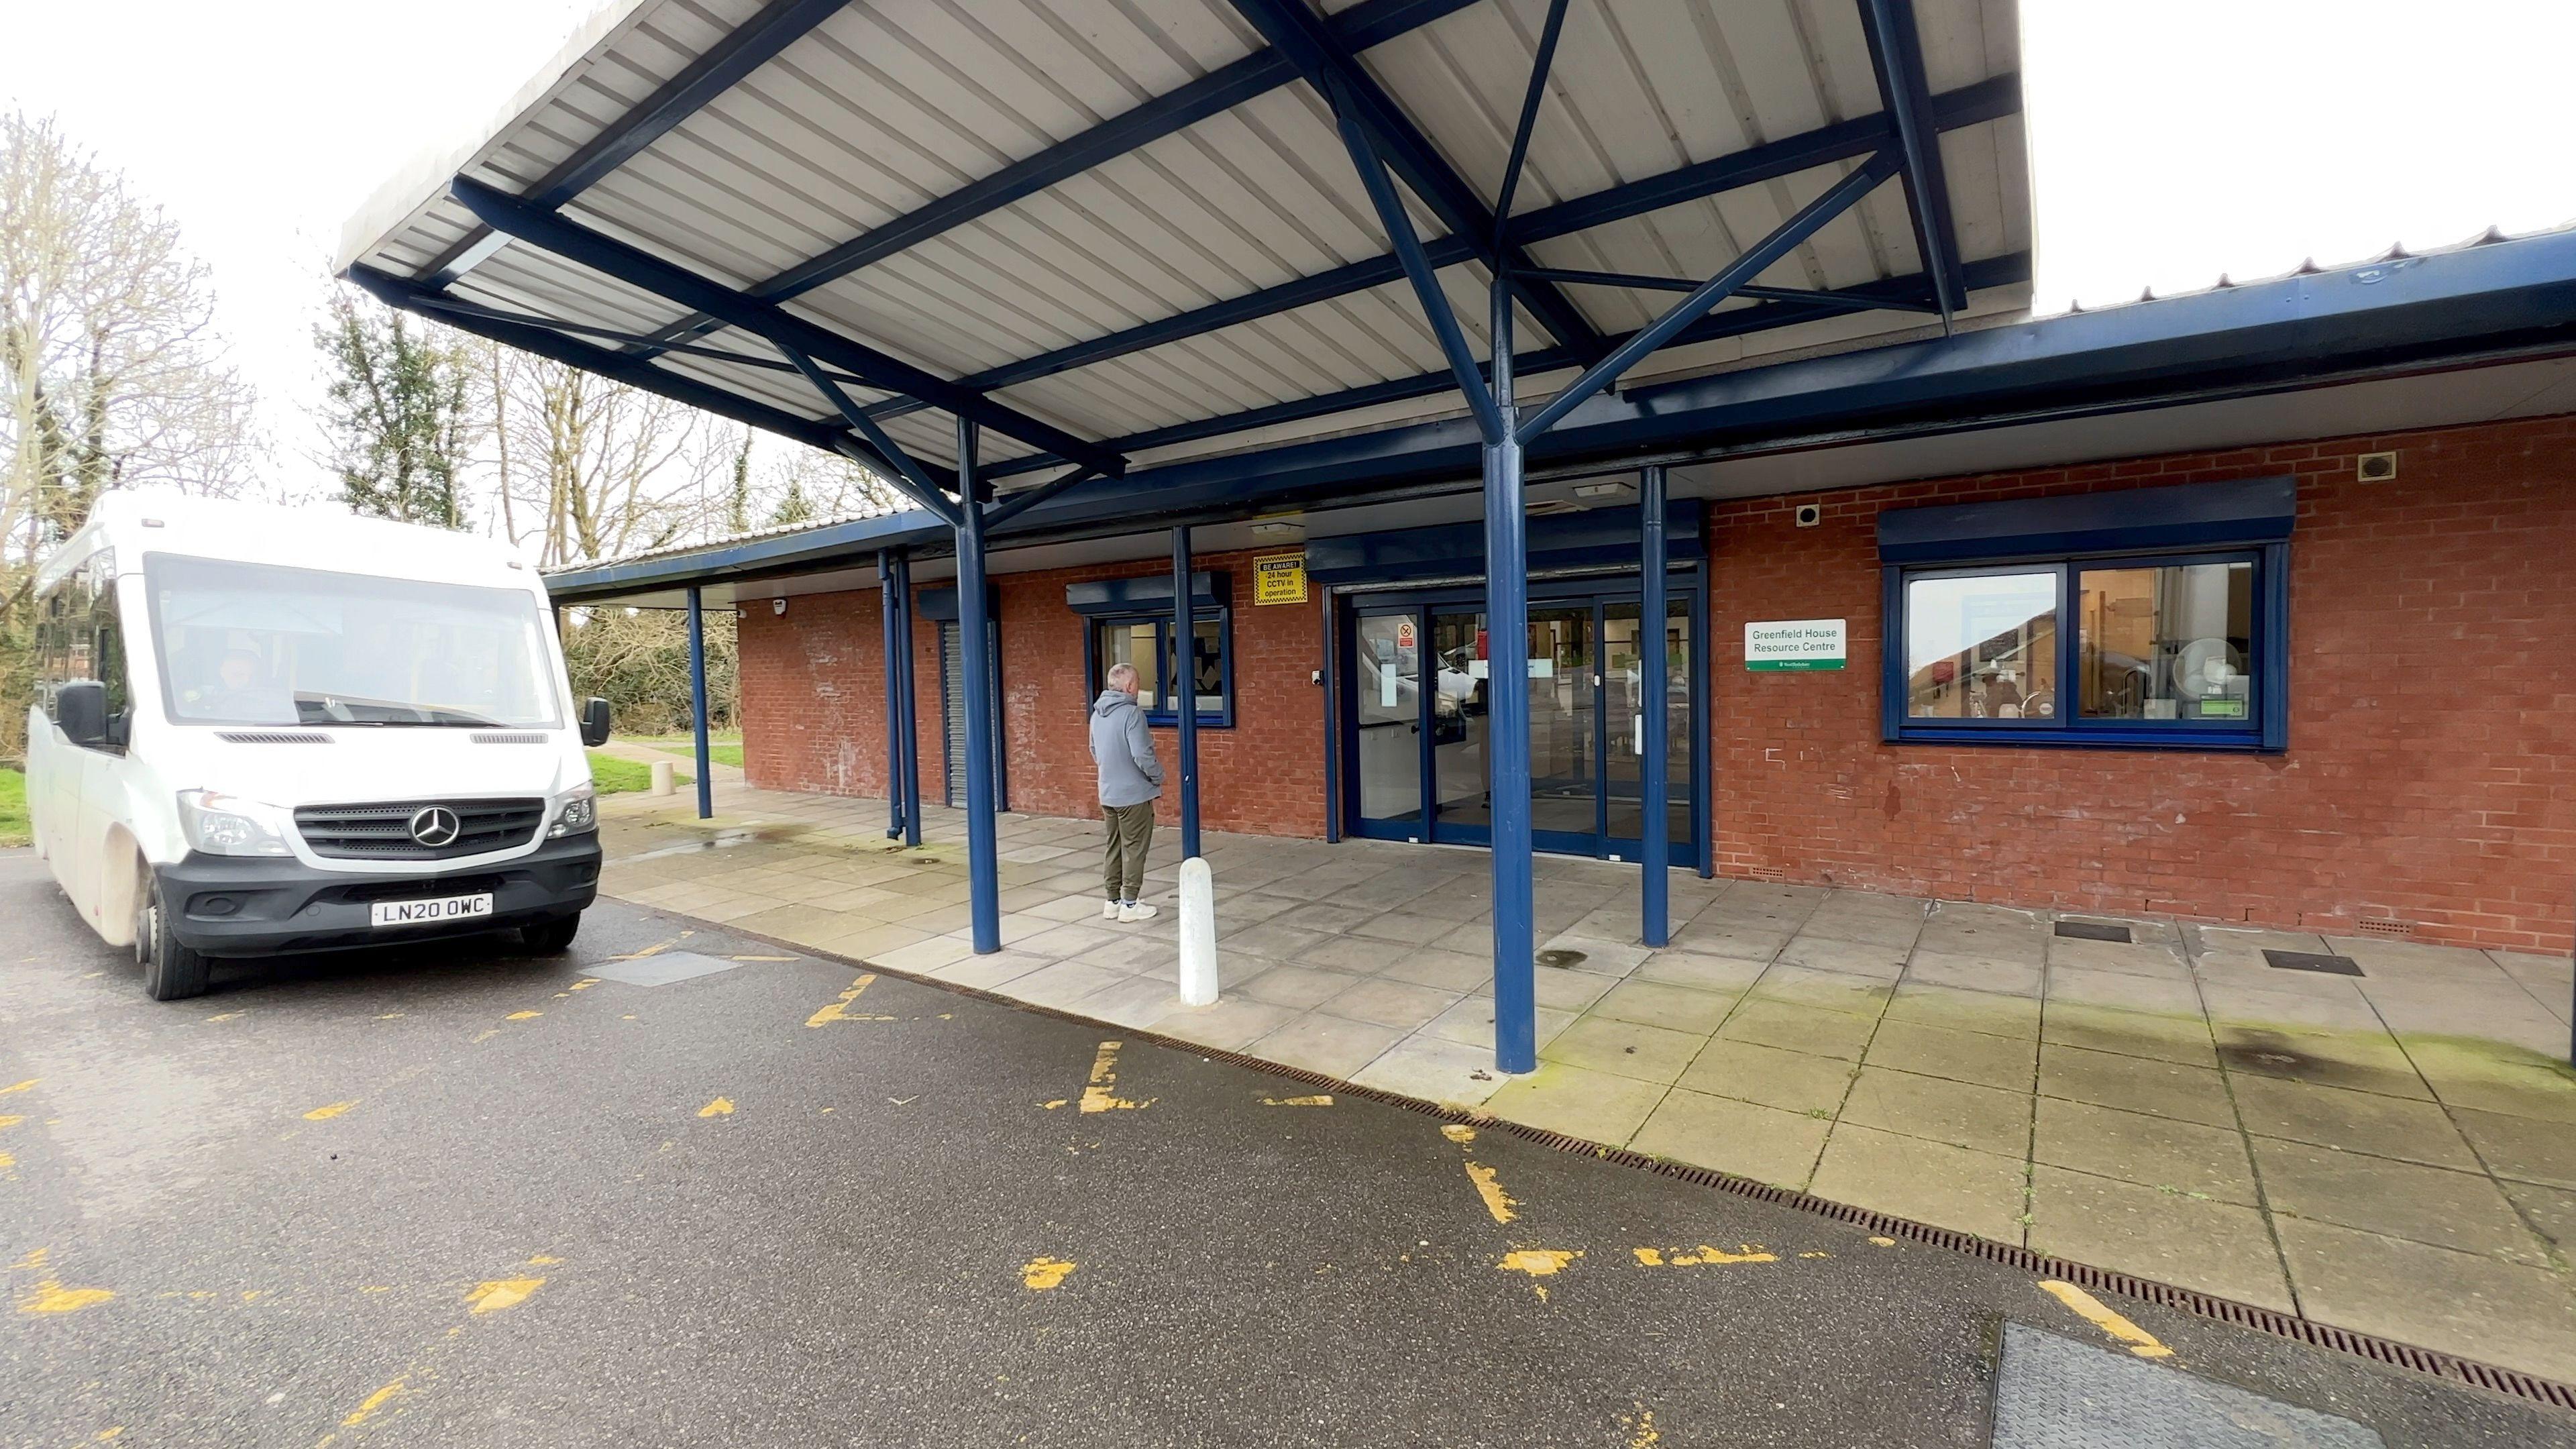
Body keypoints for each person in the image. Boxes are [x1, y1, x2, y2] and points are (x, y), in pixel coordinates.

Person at [1089, 662, 1163, 922]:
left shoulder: (1097, 714)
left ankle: (1112, 901)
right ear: (1130, 686)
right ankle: (1130, 904)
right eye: (1138, 683)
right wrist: (1157, 776)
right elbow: (1142, 753)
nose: (1138, 688)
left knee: (1114, 846)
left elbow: (1094, 751)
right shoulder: (1132, 714)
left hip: (1108, 792)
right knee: (1134, 848)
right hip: (1133, 795)